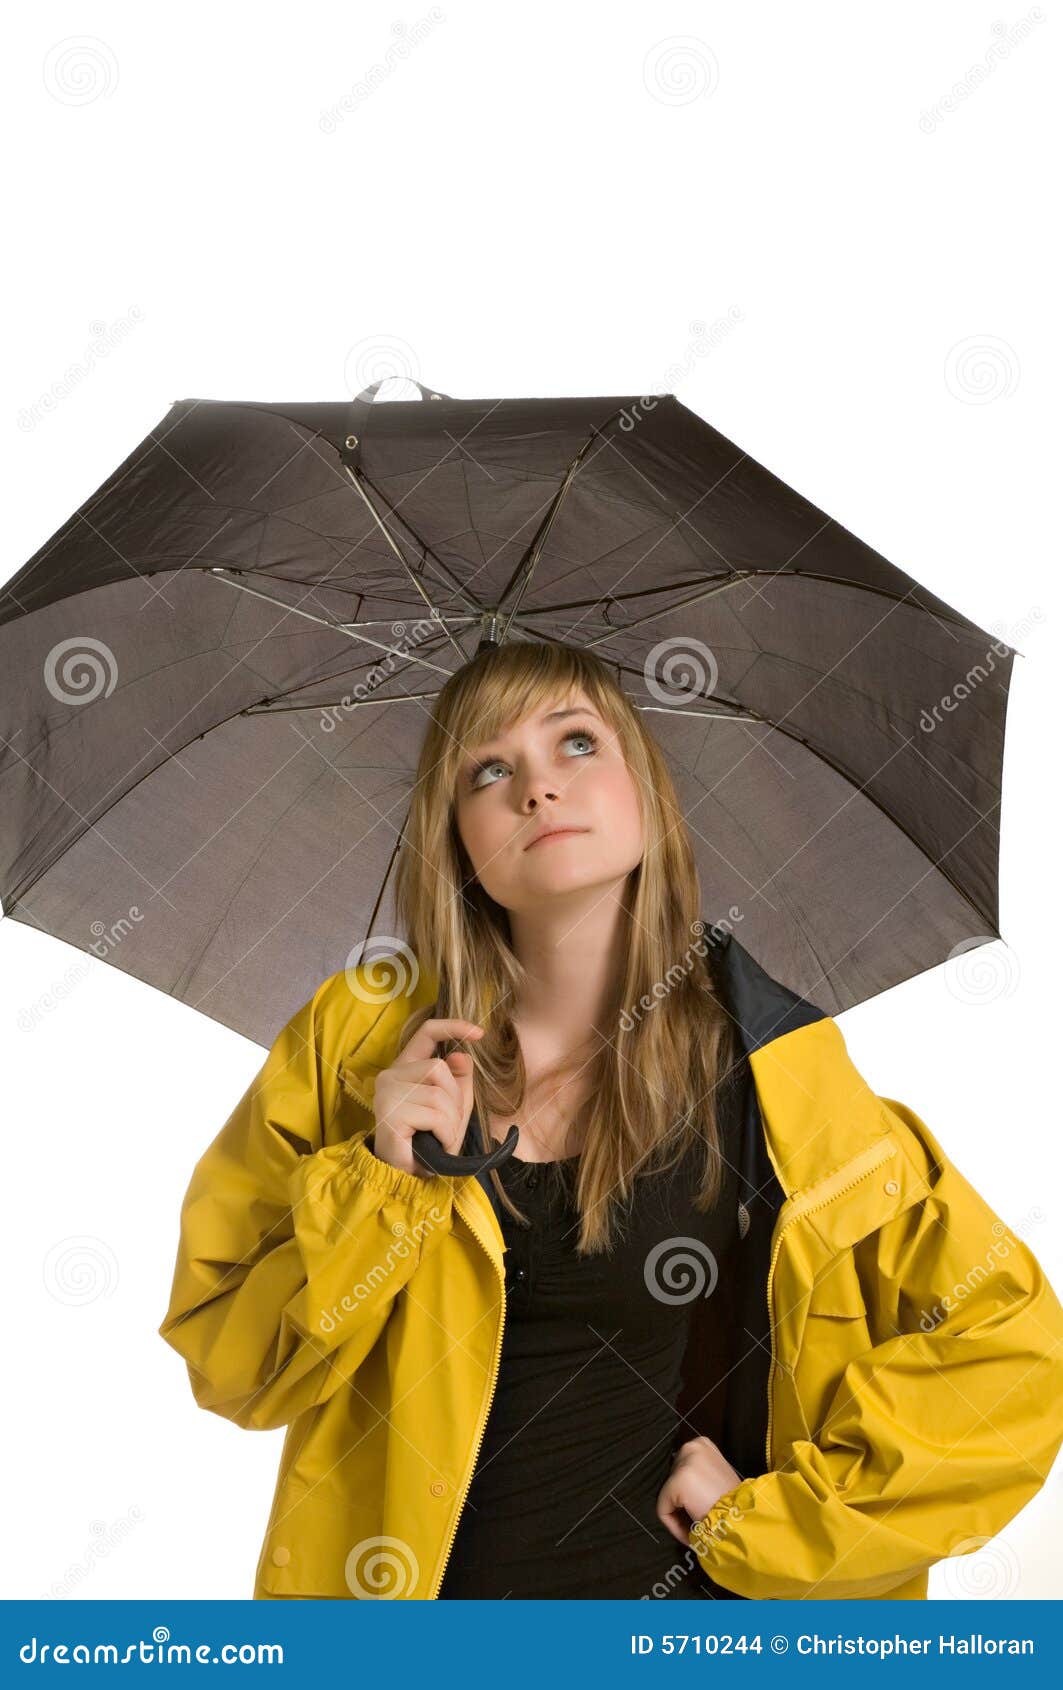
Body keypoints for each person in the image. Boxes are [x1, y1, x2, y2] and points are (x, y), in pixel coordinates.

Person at [158, 637, 1063, 1600]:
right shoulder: (357, 1048)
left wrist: (776, 1519)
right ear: (455, 834)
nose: (537, 790)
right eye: (489, 770)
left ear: (645, 786)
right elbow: (236, 1368)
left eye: (576, 743)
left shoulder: (773, 1071)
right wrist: (380, 1178)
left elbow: (1008, 1352)